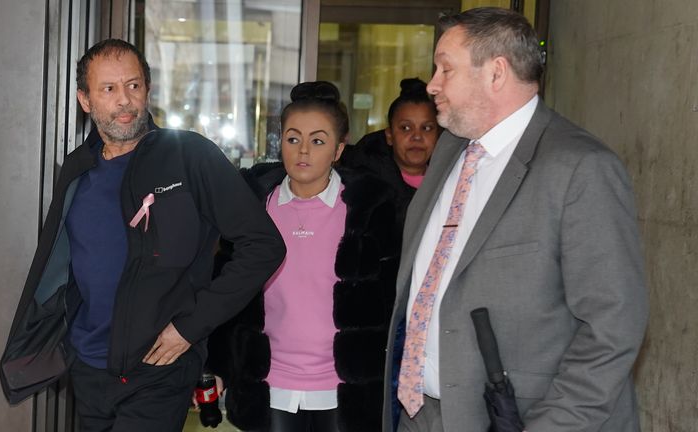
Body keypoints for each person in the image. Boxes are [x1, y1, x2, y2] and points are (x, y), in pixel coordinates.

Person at [382, 7, 648, 432]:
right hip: (420, 414)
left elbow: (612, 330)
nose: (432, 84)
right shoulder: (450, 152)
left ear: (496, 73)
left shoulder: (581, 167)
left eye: (445, 69)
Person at [0, 39, 285, 432]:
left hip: (158, 370)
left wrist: (190, 327)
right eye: (109, 89)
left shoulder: (191, 156)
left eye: (133, 86)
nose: (125, 101)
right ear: (85, 100)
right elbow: (62, 264)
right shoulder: (77, 168)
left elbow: (264, 245)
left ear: (148, 90)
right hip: (88, 369)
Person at [207, 81, 400, 432]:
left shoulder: (369, 211)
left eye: (318, 140)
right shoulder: (253, 206)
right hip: (268, 382)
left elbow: (389, 300)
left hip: (343, 387)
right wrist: (218, 365)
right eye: (293, 139)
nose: (303, 151)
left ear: (339, 149)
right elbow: (227, 292)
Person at [340, 78, 441, 226]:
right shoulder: (363, 191)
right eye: (406, 128)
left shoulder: (449, 184)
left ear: (438, 135)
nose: (417, 137)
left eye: (426, 128)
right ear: (389, 136)